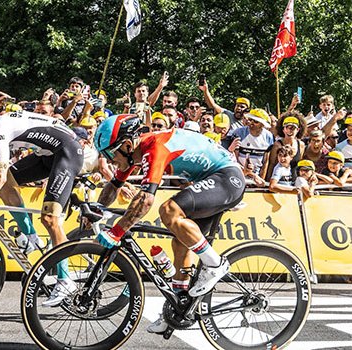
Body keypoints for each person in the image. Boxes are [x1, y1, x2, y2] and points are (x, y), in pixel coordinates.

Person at [92, 114, 244, 333]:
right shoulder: (134, 152)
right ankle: (176, 310)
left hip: (227, 178)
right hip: (210, 180)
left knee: (169, 210)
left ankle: (215, 265)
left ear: (126, 145)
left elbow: (146, 199)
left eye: (109, 153)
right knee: (180, 243)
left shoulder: (155, 147)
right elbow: (114, 186)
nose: (108, 160)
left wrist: (116, 231)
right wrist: (97, 210)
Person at [0, 107, 83, 306]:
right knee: (4, 183)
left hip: (67, 152)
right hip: (47, 155)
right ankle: (31, 237)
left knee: (50, 219)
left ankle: (65, 281)